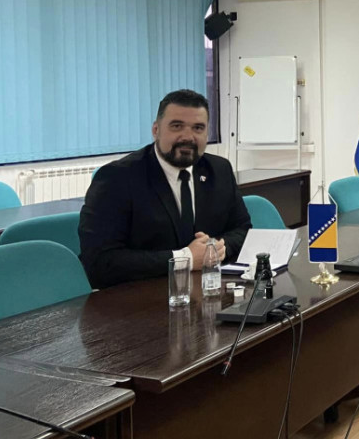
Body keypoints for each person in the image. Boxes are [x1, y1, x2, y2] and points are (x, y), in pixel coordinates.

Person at [79, 89, 251, 289]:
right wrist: (185, 258)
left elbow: (243, 230)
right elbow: (99, 263)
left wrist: (219, 248)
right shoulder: (116, 178)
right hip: (140, 297)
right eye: (177, 126)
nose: (188, 137)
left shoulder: (219, 170)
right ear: (156, 130)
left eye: (198, 128)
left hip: (206, 291)